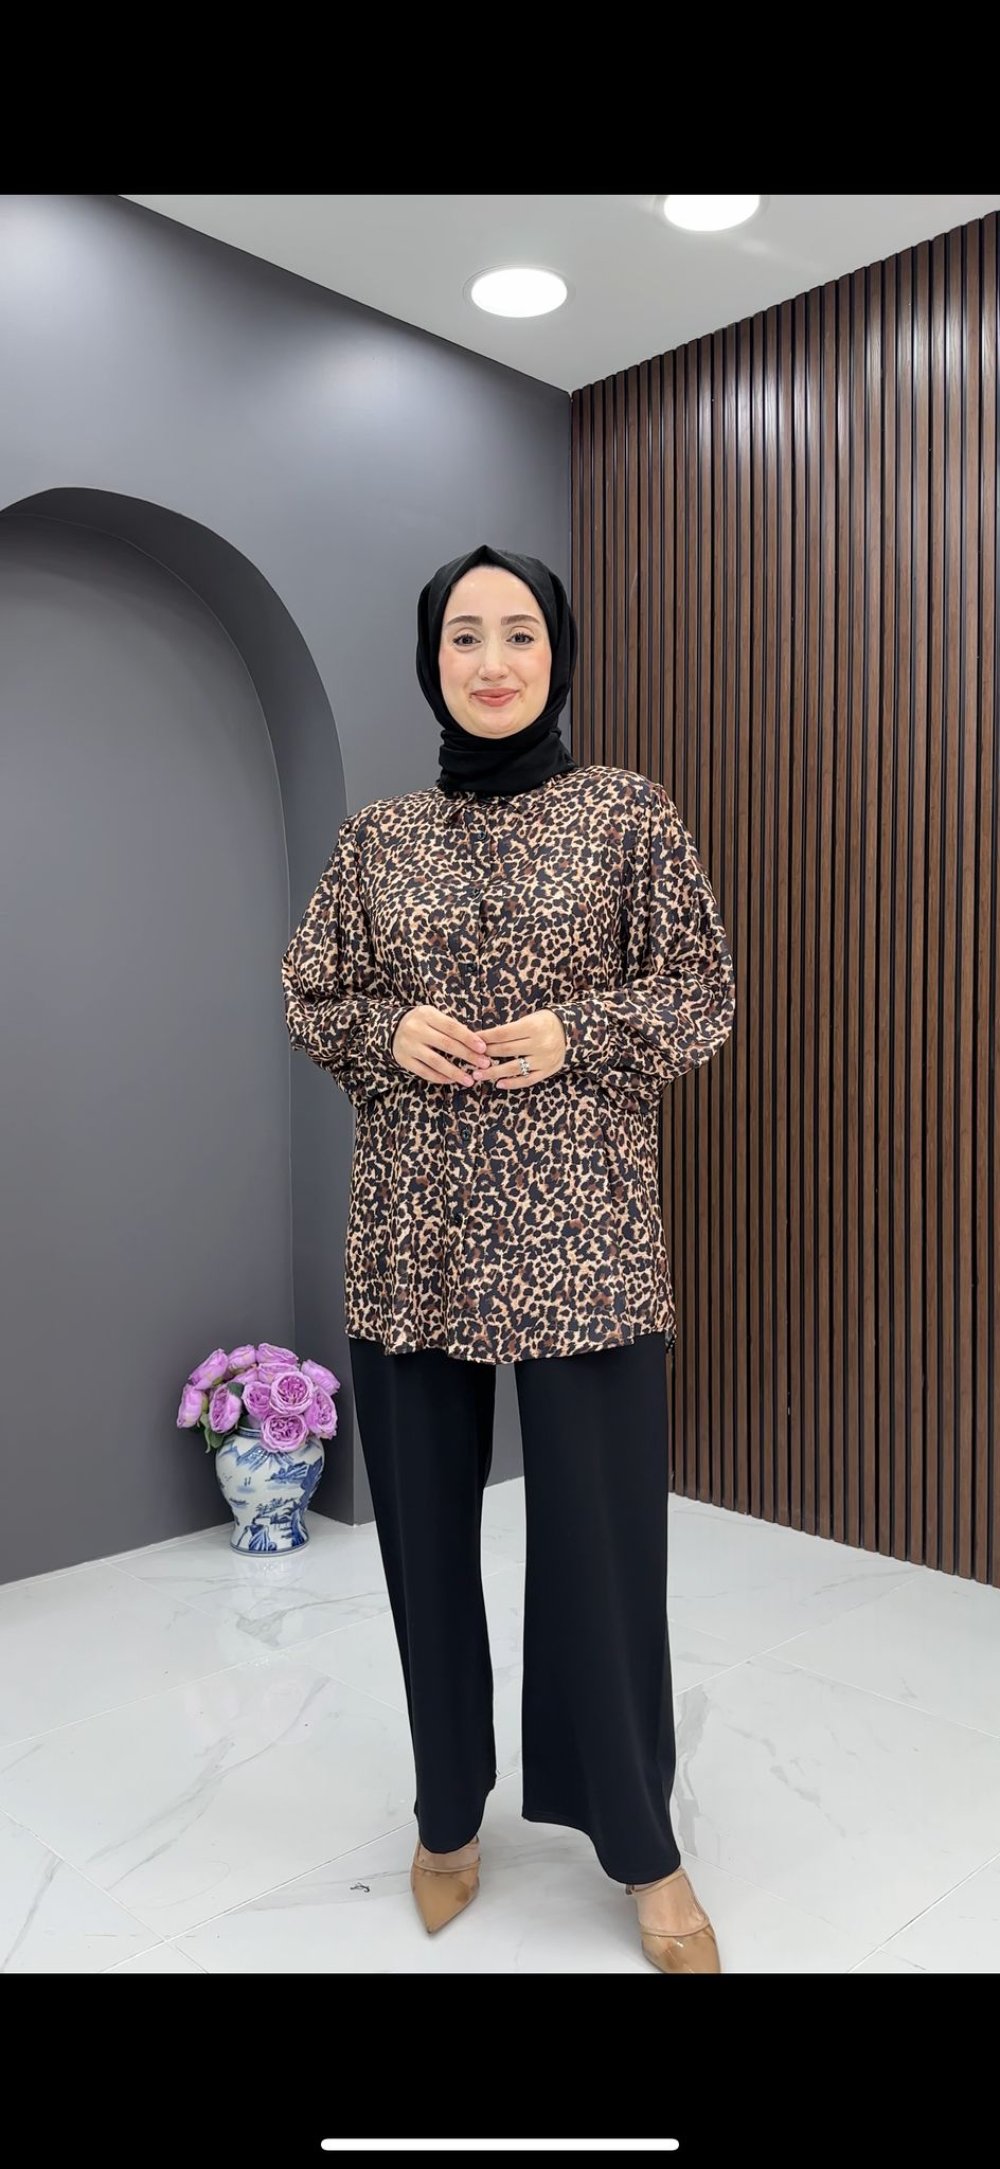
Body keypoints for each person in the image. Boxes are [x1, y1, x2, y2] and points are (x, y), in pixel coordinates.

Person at [281, 544, 736, 1973]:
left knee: (605, 1554)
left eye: (520, 633)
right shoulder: (378, 839)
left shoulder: (626, 814)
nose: (492, 661)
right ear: (433, 661)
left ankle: (642, 1844)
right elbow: (310, 990)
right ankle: (445, 1816)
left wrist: (578, 1031)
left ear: (559, 654)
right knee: (423, 1547)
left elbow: (703, 988)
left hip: (583, 1236)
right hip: (412, 1237)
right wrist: (385, 1029)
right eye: (465, 636)